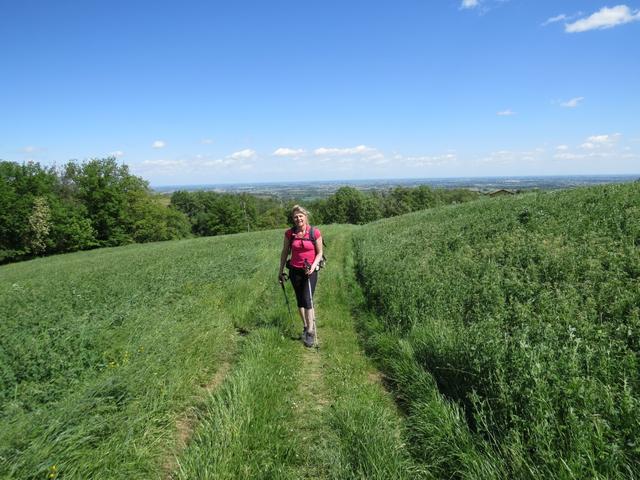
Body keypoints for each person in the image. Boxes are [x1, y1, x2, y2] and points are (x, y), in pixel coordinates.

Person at [279, 205, 323, 347]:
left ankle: (310, 332)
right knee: (300, 300)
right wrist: (280, 271)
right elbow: (285, 252)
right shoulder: (289, 234)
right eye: (295, 217)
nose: (298, 219)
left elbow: (320, 253)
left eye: (300, 216)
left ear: (305, 217)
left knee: (307, 299)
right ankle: (305, 326)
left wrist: (313, 266)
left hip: (310, 271)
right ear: (293, 219)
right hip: (294, 270)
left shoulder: (314, 233)